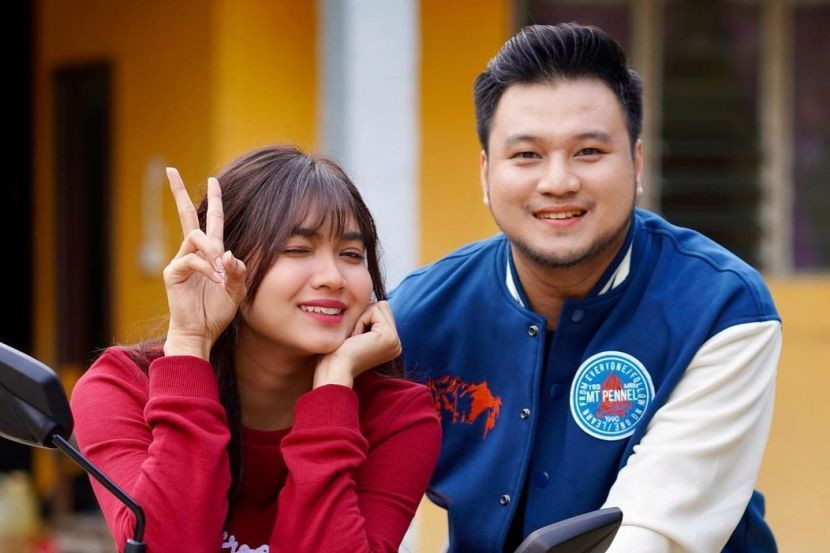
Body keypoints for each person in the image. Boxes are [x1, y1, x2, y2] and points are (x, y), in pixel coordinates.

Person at [390, 23, 780, 553]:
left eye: (589, 151)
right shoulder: (420, 316)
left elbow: (649, 536)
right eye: (526, 155)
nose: (558, 182)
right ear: (485, 174)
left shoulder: (721, 309)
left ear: (637, 163)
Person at [71, 145, 441, 552]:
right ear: (224, 261)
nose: (334, 277)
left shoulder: (398, 416)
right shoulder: (121, 388)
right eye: (297, 249)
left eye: (351, 255)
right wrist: (191, 342)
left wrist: (333, 387)